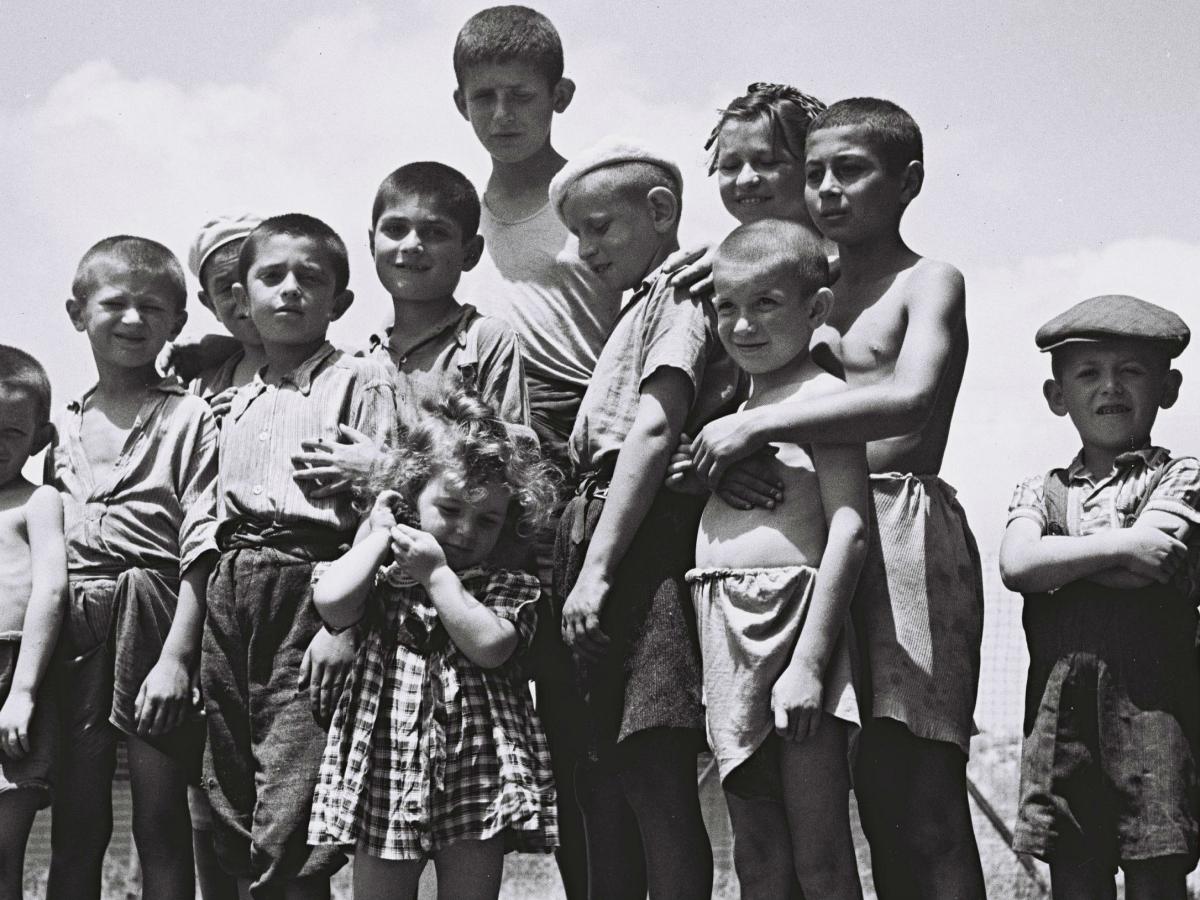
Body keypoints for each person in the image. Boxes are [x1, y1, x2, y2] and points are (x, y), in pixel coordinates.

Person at [688, 97, 987, 899]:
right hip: (805, 544)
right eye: (813, 172)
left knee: (919, 787)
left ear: (909, 181)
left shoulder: (929, 280)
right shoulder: (793, 283)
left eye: (850, 171)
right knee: (818, 789)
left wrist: (763, 428)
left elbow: (910, 398)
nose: (827, 189)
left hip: (898, 530)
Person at [452, 10, 623, 892]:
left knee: (588, 719)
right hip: (491, 477)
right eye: (485, 97)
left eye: (523, 95)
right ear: (460, 105)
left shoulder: (595, 202)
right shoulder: (454, 220)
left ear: (559, 97)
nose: (504, 112)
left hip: (595, 459)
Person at [550, 137, 741, 900]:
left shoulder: (682, 293)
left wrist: (596, 570)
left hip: (631, 538)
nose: (582, 250)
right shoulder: (638, 302)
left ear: (660, 212)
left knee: (649, 765)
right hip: (594, 521)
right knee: (601, 768)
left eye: (599, 227)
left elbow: (654, 430)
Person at [201, 214, 398, 899]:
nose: (290, 291)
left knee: (297, 783)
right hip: (231, 586)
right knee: (228, 780)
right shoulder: (230, 399)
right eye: (271, 277)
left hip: (312, 582)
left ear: (339, 301)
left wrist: (345, 626)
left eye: (310, 279)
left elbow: (386, 512)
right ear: (241, 296)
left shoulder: (362, 378)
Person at [671, 221, 866, 899]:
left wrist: (811, 664)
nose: (743, 326)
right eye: (727, 307)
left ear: (815, 310)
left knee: (820, 857)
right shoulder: (735, 405)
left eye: (766, 305)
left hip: (794, 628)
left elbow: (850, 529)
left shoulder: (823, 397)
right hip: (723, 629)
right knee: (755, 853)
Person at [308, 389, 559, 900]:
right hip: (386, 760)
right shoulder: (380, 571)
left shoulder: (502, 585)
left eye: (487, 519)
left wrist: (439, 575)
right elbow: (331, 603)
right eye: (449, 508)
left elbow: (490, 645)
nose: (466, 530)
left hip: (477, 769)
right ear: (409, 498)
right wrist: (378, 533)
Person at [999, 295, 1200, 900]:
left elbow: (1153, 563)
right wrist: (1121, 547)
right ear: (1057, 395)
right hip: (1063, 727)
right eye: (1088, 373)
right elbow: (1016, 563)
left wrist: (1061, 560)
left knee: (1155, 874)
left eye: (1131, 371)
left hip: (1157, 720)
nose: (1110, 388)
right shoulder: (1038, 489)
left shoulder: (1182, 475)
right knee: (1076, 878)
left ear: (1167, 388)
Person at [46, 236, 219, 900]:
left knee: (159, 820)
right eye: (114, 303)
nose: (132, 319)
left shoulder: (191, 417)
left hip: (156, 616)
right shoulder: (52, 428)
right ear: (76, 312)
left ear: (176, 322)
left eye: (152, 307)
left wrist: (178, 659)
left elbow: (202, 542)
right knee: (78, 823)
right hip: (73, 629)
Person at [363, 161, 529, 425]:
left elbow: (507, 456)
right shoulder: (363, 360)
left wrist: (379, 466)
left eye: (435, 233)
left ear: (470, 253)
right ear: (372, 243)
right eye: (395, 229)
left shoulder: (484, 341)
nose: (411, 245)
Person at [0, 346, 66, 899]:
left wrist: (22, 690)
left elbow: (51, 587)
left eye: (10, 431)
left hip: (10, 674)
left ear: (39, 439)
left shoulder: (36, 501)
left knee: (3, 856)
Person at [667, 82, 831, 299]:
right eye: (730, 167)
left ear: (812, 168)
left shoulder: (855, 267)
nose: (745, 180)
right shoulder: (711, 272)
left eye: (768, 162)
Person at [186, 213, 266, 419]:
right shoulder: (200, 391)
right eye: (226, 288)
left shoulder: (344, 370)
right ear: (210, 305)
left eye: (261, 278)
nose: (244, 295)